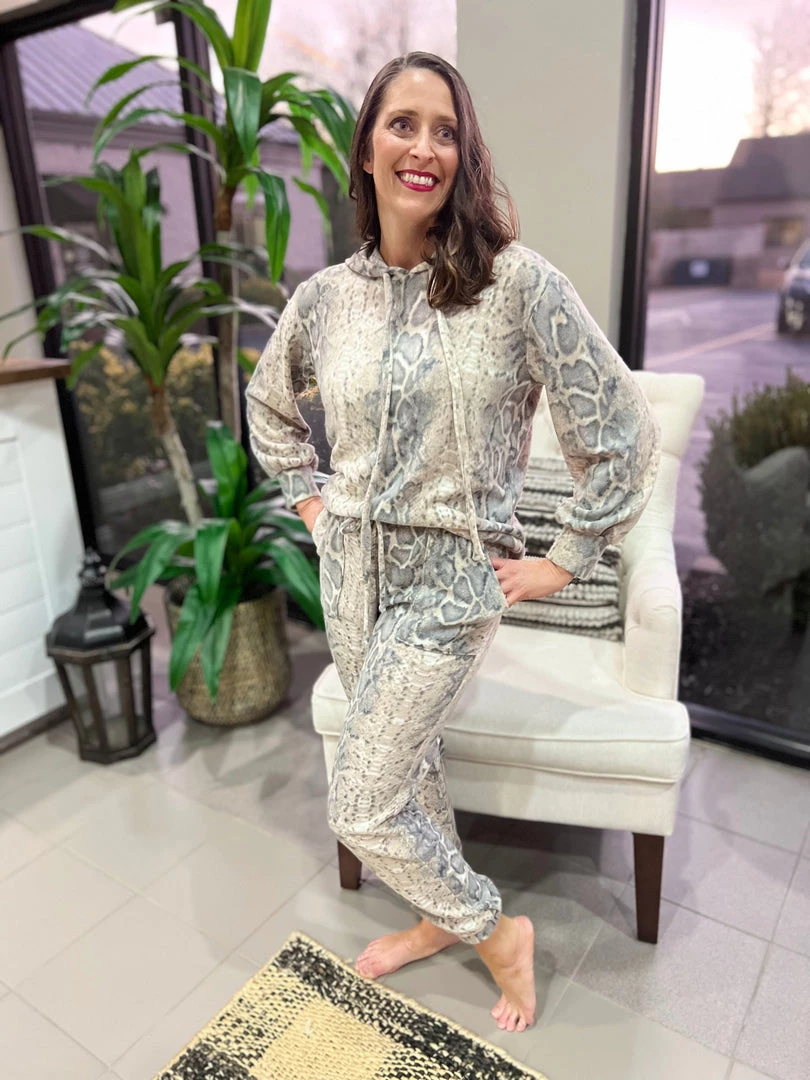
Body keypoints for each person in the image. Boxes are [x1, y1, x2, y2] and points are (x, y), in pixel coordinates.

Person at [246, 51, 662, 1034]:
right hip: (349, 574)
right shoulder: (326, 299)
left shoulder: (515, 285)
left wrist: (568, 557)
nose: (423, 147)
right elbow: (269, 406)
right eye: (403, 124)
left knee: (359, 801)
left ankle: (492, 929)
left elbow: (622, 428)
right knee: (411, 762)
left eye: (446, 130)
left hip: (449, 581)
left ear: (463, 155)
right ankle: (438, 917)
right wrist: (313, 507)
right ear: (367, 148)